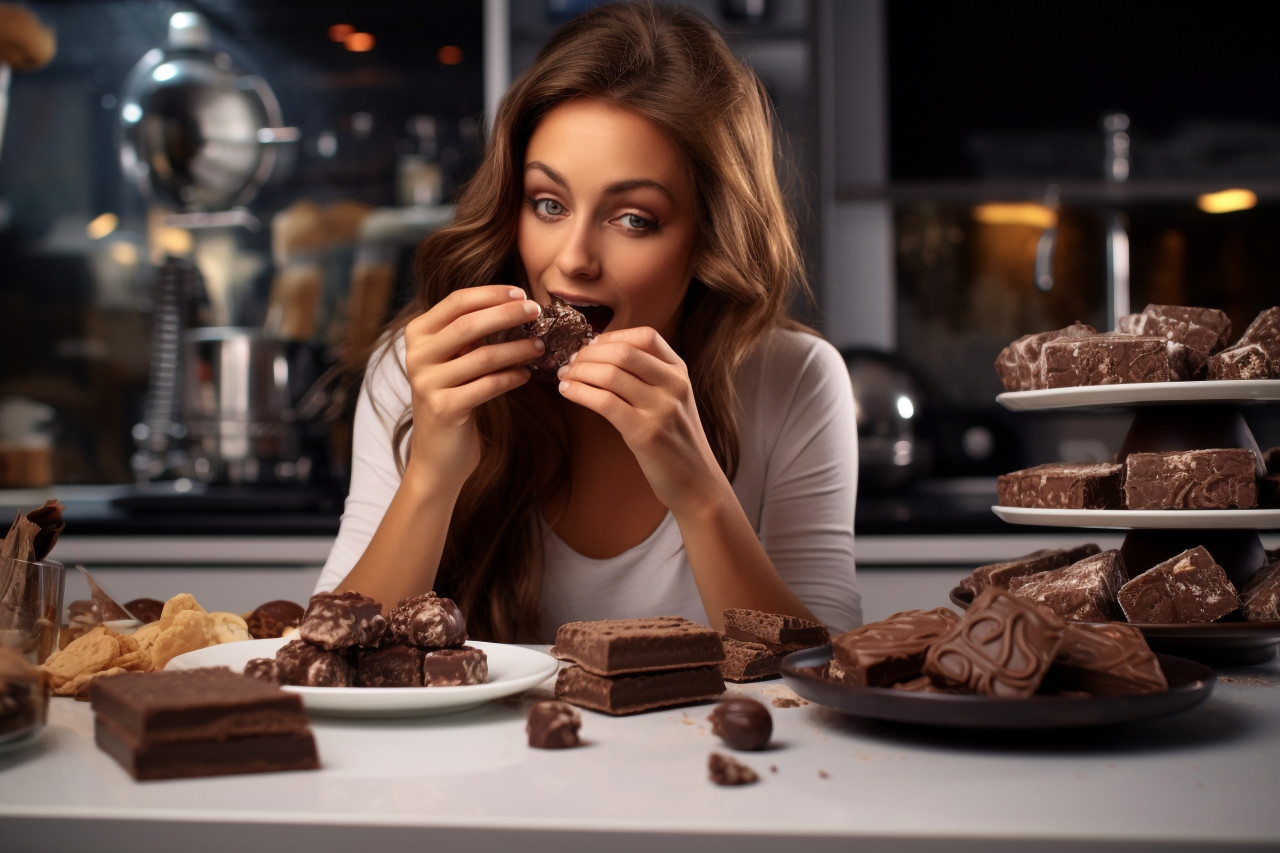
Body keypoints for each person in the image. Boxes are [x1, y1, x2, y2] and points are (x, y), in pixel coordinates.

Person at [314, 1, 861, 643]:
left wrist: (701, 494)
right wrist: (433, 472)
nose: (572, 260)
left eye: (633, 218)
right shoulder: (424, 371)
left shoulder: (793, 380)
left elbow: (827, 671)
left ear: (709, 241)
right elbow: (330, 663)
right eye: (548, 204)